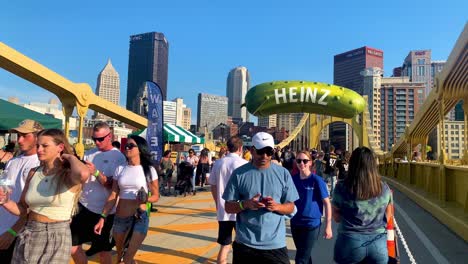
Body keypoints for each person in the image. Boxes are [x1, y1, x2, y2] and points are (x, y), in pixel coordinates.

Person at [1, 128, 90, 263]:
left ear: (60, 147)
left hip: (56, 234)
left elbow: (83, 174)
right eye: (38, 145)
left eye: (45, 146)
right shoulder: (34, 172)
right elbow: (23, 209)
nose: (39, 150)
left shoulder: (68, 173)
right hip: (30, 231)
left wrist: (69, 156)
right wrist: (5, 201)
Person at [223, 132, 299, 264]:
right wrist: (245, 204)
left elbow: (291, 206)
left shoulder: (283, 174)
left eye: (269, 152)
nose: (264, 156)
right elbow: (228, 207)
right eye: (260, 151)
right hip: (245, 244)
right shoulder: (239, 174)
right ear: (252, 150)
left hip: (275, 245)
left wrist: (277, 206)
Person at [94, 135, 159, 264]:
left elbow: (156, 196)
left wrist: (146, 198)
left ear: (139, 149)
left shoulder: (149, 170)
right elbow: (113, 195)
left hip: (139, 217)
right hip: (120, 219)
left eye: (131, 146)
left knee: (126, 258)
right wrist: (103, 216)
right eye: (126, 146)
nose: (127, 148)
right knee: (121, 257)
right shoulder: (120, 169)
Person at [71, 122, 127, 264]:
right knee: (72, 246)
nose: (97, 142)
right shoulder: (89, 153)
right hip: (84, 205)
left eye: (100, 139)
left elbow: (112, 186)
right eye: (94, 139)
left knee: (103, 252)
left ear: (110, 136)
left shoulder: (118, 157)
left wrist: (95, 172)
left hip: (105, 211)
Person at [332, 146, 393, 264]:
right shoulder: (384, 187)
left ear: (352, 164)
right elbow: (388, 213)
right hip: (377, 244)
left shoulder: (342, 187)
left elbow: (336, 217)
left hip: (349, 243)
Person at [0, 120, 43, 263]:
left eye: (25, 135)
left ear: (38, 136)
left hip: (20, 234)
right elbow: (7, 189)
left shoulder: (40, 164)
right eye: (18, 135)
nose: (20, 139)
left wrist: (12, 232)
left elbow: (34, 208)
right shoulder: (13, 161)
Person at [208, 136, 248, 264]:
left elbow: (213, 186)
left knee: (225, 245)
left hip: (223, 210)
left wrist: (217, 203)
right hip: (241, 209)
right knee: (244, 244)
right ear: (240, 148)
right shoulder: (244, 164)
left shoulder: (218, 163)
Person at [290, 150, 332, 264]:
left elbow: (327, 203)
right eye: (299, 161)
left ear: (310, 162)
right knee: (304, 255)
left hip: (311, 224)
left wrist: (328, 226)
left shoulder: (317, 180)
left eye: (305, 161)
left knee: (301, 259)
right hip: (295, 223)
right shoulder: (293, 179)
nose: (302, 163)